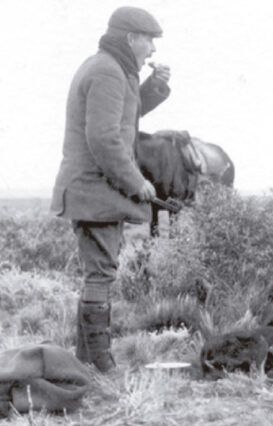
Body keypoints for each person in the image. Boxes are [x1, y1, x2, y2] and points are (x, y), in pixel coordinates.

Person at [50, 6, 172, 371]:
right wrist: (137, 183)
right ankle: (100, 364)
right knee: (100, 274)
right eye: (149, 41)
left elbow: (123, 119)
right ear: (131, 38)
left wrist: (155, 88)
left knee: (97, 274)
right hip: (95, 192)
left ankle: (88, 361)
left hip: (93, 192)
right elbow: (104, 139)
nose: (152, 50)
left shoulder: (110, 68)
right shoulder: (107, 71)